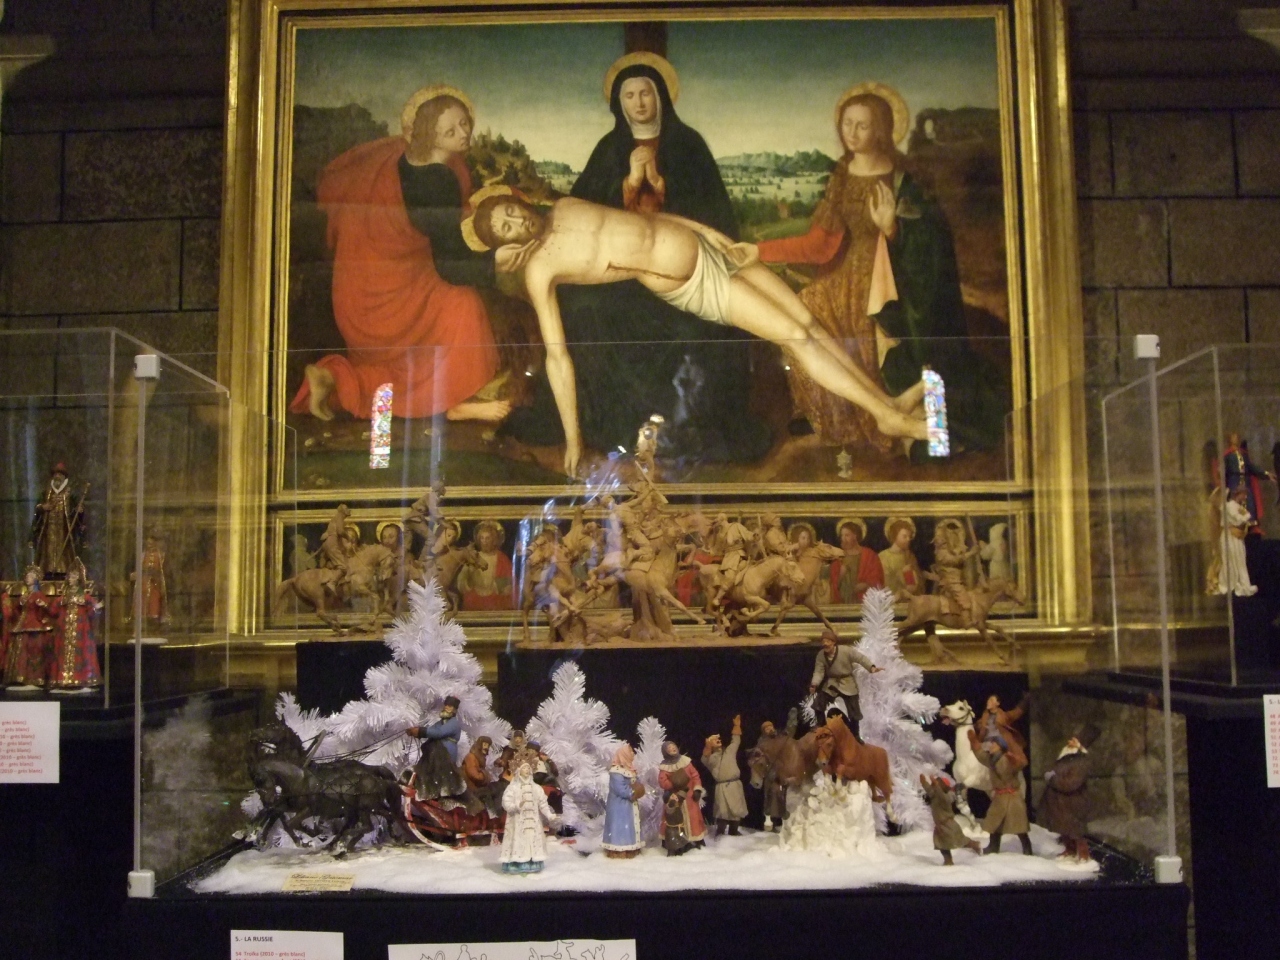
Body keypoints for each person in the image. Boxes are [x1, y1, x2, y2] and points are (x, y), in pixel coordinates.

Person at [468, 193, 928, 477]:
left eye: (511, 212)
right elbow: (557, 358)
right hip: (692, 282)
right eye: (506, 228)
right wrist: (573, 439)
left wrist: (713, 235)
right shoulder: (541, 270)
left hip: (711, 249)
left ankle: (886, 404)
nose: (517, 222)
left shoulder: (566, 205)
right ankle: (885, 417)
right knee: (794, 335)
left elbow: (655, 221)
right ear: (506, 246)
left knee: (809, 323)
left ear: (517, 201)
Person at [503, 52, 768, 465]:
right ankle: (610, 426)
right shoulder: (609, 149)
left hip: (679, 269)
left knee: (695, 326)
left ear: (660, 96)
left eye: (646, 93)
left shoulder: (688, 145)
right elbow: (584, 217)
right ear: (619, 104)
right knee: (583, 310)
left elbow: (710, 212)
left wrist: (660, 185)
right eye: (630, 95)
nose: (639, 102)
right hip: (622, 276)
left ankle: (684, 428)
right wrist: (627, 181)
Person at [754, 84, 1005, 458]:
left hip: (894, 276)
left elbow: (931, 236)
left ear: (882, 129)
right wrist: (759, 250)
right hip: (845, 273)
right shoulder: (843, 174)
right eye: (847, 124)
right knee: (806, 307)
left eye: (863, 125)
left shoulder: (905, 177)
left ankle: (909, 421)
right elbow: (820, 243)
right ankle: (834, 414)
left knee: (882, 329)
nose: (852, 133)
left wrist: (892, 229)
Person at [291, 86, 528, 424]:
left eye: (464, 123)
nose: (464, 133)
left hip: (365, 289)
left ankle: (332, 379)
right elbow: (448, 264)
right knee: (463, 308)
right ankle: (454, 404)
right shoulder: (437, 181)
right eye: (450, 131)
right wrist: (495, 264)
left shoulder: (404, 158)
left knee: (406, 362)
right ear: (431, 136)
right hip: (388, 300)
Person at [968, 729, 1032, 855]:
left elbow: (1006, 772)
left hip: (1012, 798)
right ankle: (993, 847)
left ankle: (1027, 849)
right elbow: (982, 757)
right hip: (1000, 798)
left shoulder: (1004, 759)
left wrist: (1010, 761)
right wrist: (974, 744)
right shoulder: (993, 759)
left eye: (994, 744)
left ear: (1000, 747)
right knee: (995, 824)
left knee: (1019, 827)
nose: (991, 746)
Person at [1039, 726, 1097, 862]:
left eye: (1074, 740)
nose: (1070, 742)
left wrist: (1052, 779)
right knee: (1064, 830)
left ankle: (1083, 855)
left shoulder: (1081, 761)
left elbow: (1071, 783)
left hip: (1072, 803)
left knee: (1076, 832)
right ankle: (1070, 850)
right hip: (1060, 803)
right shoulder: (1067, 756)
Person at [809, 629, 881, 729]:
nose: (825, 644)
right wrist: (814, 684)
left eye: (828, 641)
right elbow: (819, 671)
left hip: (847, 682)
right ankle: (822, 726)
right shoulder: (821, 655)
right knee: (818, 704)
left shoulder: (845, 651)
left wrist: (871, 667)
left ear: (833, 642)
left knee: (854, 710)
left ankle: (855, 732)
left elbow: (860, 658)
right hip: (832, 683)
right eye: (823, 641)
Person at [49, 566, 102, 694]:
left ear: (78, 579)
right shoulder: (63, 597)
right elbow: (53, 611)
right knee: (63, 653)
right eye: (69, 576)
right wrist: (45, 605)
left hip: (81, 630)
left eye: (73, 577)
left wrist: (96, 608)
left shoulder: (85, 597)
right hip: (64, 630)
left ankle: (82, 678)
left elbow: (91, 613)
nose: (70, 579)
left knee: (81, 652)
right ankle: (63, 679)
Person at [500, 761, 559, 874]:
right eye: (524, 768)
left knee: (533, 840)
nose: (527, 770)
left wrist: (549, 814)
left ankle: (533, 862)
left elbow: (542, 803)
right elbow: (506, 803)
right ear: (519, 771)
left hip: (533, 821)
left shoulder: (536, 788)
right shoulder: (513, 788)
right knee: (519, 841)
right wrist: (516, 806)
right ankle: (517, 863)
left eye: (528, 768)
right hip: (518, 822)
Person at [30, 463, 84, 580]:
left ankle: (64, 572)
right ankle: (48, 571)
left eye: (60, 474)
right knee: (48, 552)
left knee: (65, 553)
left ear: (64, 477)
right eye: (56, 474)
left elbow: (76, 511)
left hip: (64, 531)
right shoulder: (46, 493)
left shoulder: (70, 494)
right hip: (48, 530)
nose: (57, 477)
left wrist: (78, 511)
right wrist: (43, 507)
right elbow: (37, 508)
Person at [406, 695, 466, 801]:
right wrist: (417, 732)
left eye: (450, 706)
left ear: (454, 710)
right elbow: (431, 730)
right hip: (434, 751)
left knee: (438, 765)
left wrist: (421, 731)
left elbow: (439, 733)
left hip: (446, 753)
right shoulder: (440, 723)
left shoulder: (454, 723)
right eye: (446, 705)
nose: (447, 708)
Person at [3, 566, 54, 691]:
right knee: (21, 651)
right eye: (27, 576)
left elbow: (47, 610)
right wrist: (17, 604)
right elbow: (16, 611)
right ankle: (20, 677)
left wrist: (43, 605)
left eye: (31, 576)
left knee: (33, 652)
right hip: (22, 625)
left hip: (34, 626)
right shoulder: (25, 595)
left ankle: (34, 678)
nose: (28, 578)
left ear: (36, 579)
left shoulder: (39, 594)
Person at [701, 715, 748, 837]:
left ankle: (734, 831)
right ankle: (720, 832)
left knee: (736, 809)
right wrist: (708, 747)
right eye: (714, 740)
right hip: (721, 787)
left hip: (734, 784)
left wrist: (736, 727)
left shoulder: (729, 751)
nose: (718, 740)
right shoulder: (711, 759)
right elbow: (704, 759)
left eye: (718, 739)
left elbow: (736, 741)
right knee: (722, 811)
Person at [657, 740, 707, 852]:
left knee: (693, 817)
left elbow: (695, 776)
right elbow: (662, 781)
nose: (672, 749)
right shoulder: (664, 767)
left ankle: (696, 838)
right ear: (665, 752)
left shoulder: (686, 762)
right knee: (673, 819)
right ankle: (674, 841)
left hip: (689, 796)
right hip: (674, 797)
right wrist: (673, 783)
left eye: (673, 746)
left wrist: (697, 789)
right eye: (669, 748)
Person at [921, 773, 981, 865]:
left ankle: (973, 844)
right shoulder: (935, 796)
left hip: (949, 825)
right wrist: (924, 782)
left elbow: (941, 796)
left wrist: (936, 785)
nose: (934, 785)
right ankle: (948, 860)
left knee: (958, 841)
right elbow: (930, 790)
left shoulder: (946, 797)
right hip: (940, 826)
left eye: (938, 784)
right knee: (942, 845)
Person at [457, 520, 514, 610]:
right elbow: (462, 581)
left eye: (487, 538)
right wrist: (467, 582)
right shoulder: (473, 557)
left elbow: (510, 582)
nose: (484, 541)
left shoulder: (502, 558)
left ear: (494, 540)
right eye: (482, 538)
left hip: (495, 601)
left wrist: (503, 587)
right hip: (475, 600)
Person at [602, 743, 646, 858]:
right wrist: (633, 792)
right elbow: (620, 789)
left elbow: (637, 783)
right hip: (619, 806)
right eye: (630, 751)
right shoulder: (616, 771)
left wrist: (639, 788)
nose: (633, 753)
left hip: (630, 805)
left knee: (630, 825)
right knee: (620, 825)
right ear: (624, 754)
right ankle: (619, 849)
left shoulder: (631, 770)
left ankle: (631, 848)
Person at [1224, 434, 1272, 533]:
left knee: (1249, 502)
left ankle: (1251, 526)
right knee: (1235, 504)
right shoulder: (1227, 455)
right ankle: (1237, 526)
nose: (1235, 439)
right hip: (1234, 481)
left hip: (1245, 482)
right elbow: (1223, 471)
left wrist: (1266, 474)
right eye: (1233, 437)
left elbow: (1251, 467)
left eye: (1236, 437)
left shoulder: (1243, 454)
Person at [828, 518, 884, 603]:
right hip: (844, 603)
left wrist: (866, 585)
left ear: (855, 536)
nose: (843, 539)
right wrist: (841, 574)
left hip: (864, 601)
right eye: (842, 536)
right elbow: (833, 586)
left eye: (847, 535)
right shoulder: (838, 558)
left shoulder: (869, 555)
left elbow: (878, 579)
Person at [1217, 485, 1258, 597]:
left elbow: (1247, 515)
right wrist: (1245, 518)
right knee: (1230, 559)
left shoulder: (1237, 506)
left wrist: (1246, 517)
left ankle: (1242, 583)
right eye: (1244, 495)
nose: (1245, 497)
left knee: (1239, 558)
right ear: (1238, 494)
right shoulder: (1229, 506)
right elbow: (1239, 519)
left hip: (1236, 536)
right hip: (1229, 535)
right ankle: (1229, 583)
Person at [975, 693, 1029, 769]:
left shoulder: (1004, 716)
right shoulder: (984, 717)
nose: (988, 702)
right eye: (988, 700)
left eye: (991, 700)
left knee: (1001, 744)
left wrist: (1025, 701)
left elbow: (1016, 712)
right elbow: (977, 725)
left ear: (997, 703)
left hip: (999, 739)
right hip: (988, 740)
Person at [755, 720, 789, 832]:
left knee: (783, 795)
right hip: (770, 770)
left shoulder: (779, 737)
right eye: (766, 728)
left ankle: (784, 821)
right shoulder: (762, 742)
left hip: (782, 769)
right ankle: (769, 821)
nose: (769, 729)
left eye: (770, 726)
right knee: (770, 795)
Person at [879, 516, 922, 598]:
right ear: (895, 536)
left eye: (909, 537)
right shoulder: (883, 556)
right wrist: (901, 574)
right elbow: (883, 583)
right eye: (904, 536)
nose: (908, 539)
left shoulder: (910, 556)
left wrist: (915, 579)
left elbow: (919, 584)